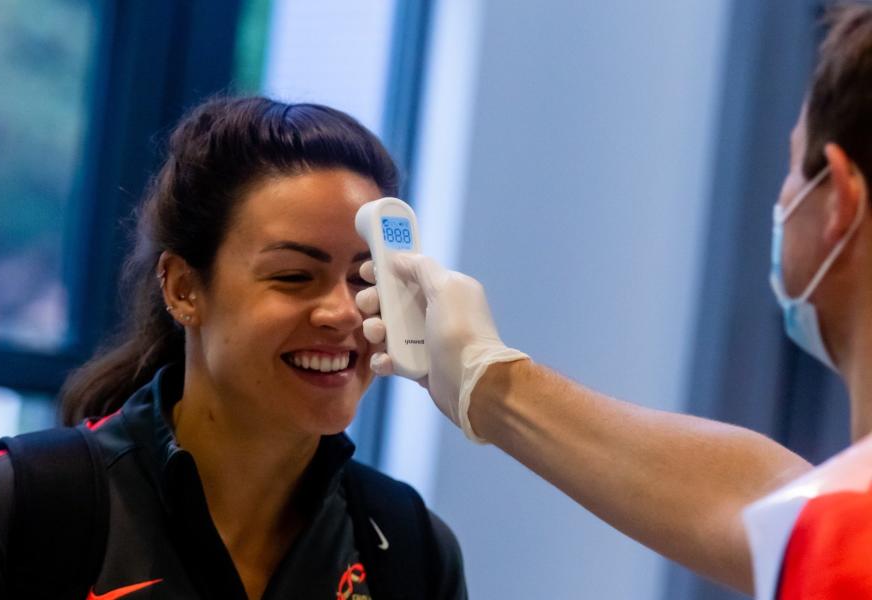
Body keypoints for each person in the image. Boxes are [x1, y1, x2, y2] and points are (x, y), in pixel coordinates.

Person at [358, 3, 872, 596]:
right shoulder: (838, 524)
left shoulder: (848, 553)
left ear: (837, 197)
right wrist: (488, 378)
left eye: (790, 165)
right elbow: (774, 505)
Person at [0, 97, 466, 599]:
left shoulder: (409, 546)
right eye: (295, 276)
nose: (343, 312)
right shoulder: (18, 510)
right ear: (183, 288)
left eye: (366, 280)